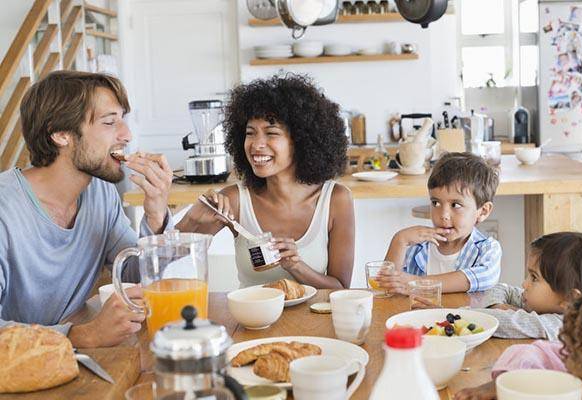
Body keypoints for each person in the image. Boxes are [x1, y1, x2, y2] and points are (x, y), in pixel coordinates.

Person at [0, 71, 174, 347]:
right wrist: (84, 335)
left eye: (123, 120)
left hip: (71, 361)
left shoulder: (99, 193)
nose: (127, 135)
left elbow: (131, 276)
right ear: (61, 134)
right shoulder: (5, 209)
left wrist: (155, 216)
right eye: (109, 122)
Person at [177, 73, 354, 288]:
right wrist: (191, 218)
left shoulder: (336, 199)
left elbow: (341, 289)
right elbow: (169, 258)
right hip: (252, 320)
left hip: (314, 320)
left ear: (301, 141)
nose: (256, 144)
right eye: (250, 133)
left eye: (271, 133)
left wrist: (296, 266)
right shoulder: (234, 199)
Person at [454, 279, 582, 400]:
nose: (572, 364)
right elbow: (535, 352)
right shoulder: (577, 349)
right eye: (577, 358)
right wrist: (503, 383)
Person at [377, 152, 501, 294]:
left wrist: (416, 284)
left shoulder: (487, 249)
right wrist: (399, 240)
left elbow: (480, 277)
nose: (443, 215)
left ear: (483, 211)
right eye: (435, 203)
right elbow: (386, 290)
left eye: (455, 205)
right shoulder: (418, 247)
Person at [474, 232, 582, 341]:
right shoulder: (539, 301)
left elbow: (500, 322)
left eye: (534, 278)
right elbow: (501, 288)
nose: (524, 284)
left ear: (569, 298)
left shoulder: (564, 325)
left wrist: (461, 314)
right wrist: (497, 305)